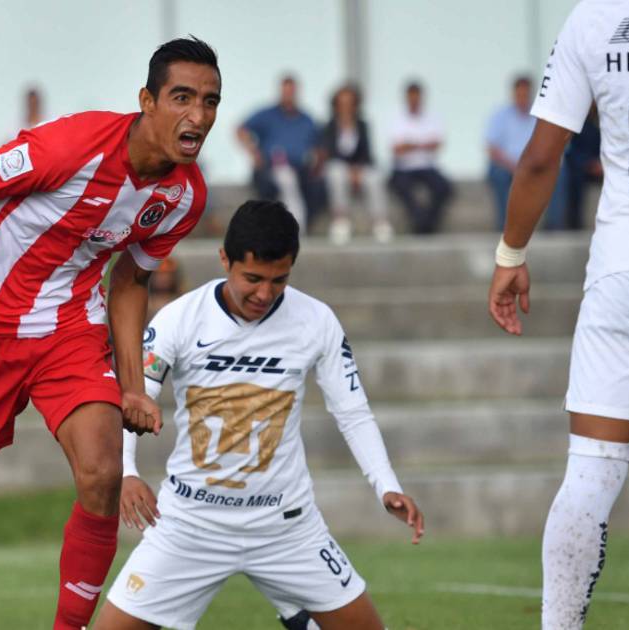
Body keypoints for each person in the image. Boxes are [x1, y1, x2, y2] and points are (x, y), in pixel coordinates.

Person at [0, 36, 221, 630]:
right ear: (147, 101)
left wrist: (133, 386)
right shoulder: (70, 146)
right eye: (182, 98)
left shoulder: (184, 195)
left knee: (103, 473)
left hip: (68, 331)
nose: (199, 116)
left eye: (210, 101)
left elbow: (131, 279)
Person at [96, 200, 424, 630]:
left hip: (286, 526)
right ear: (225, 260)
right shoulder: (180, 317)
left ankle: (301, 616)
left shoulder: (316, 320)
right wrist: (127, 471)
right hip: (191, 524)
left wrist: (387, 485)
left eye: (278, 280)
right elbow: (133, 398)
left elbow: (352, 411)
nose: (264, 294)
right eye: (252, 278)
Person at [487, 2, 629, 628]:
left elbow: (540, 158)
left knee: (591, 472)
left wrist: (510, 254)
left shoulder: (590, 19)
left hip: (623, 263)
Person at [237, 75, 326, 229]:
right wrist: (254, 153)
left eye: (291, 92)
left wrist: (317, 164)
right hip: (271, 167)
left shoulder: (306, 119)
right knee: (286, 179)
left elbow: (319, 146)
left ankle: (299, 225)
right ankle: (296, 225)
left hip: (301, 169)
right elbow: (241, 130)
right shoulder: (267, 115)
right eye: (286, 92)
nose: (288, 96)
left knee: (312, 183)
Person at [486, 76, 566, 230]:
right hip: (507, 165)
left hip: (536, 165)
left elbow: (552, 145)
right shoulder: (500, 116)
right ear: (513, 94)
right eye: (519, 95)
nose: (522, 99)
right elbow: (492, 149)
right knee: (499, 175)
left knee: (560, 173)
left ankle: (555, 226)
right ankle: (506, 227)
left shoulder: (542, 116)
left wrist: (534, 165)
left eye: (525, 95)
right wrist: (515, 166)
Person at [320, 84, 391, 245]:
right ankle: (341, 220)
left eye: (349, 103)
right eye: (342, 103)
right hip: (339, 168)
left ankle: (380, 221)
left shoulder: (362, 125)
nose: (346, 107)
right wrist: (350, 170)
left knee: (375, 177)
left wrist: (357, 169)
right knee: (336, 173)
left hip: (360, 168)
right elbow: (330, 153)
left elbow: (367, 154)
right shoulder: (329, 126)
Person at [387, 81, 451, 234]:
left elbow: (437, 144)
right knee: (402, 188)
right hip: (403, 167)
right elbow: (397, 148)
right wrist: (421, 144)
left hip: (426, 166)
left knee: (443, 187)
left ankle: (427, 222)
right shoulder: (396, 118)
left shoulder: (432, 117)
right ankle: (420, 221)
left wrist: (411, 144)